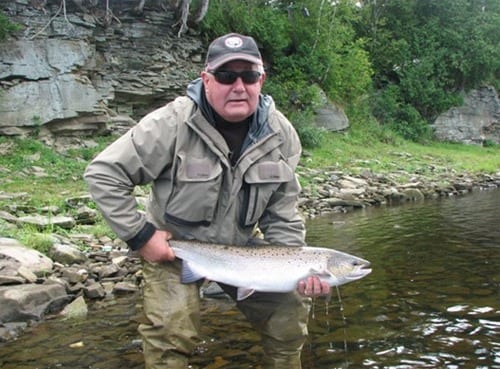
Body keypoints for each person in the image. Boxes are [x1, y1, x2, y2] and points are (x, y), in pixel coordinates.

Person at [84, 32, 330, 369]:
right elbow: (104, 173)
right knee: (170, 335)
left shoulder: (281, 135)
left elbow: (282, 215)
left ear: (262, 80)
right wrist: (141, 237)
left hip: (242, 251)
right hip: (173, 249)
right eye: (227, 76)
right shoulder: (171, 123)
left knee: (289, 316)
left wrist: (296, 269)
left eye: (249, 76)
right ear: (206, 79)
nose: (239, 86)